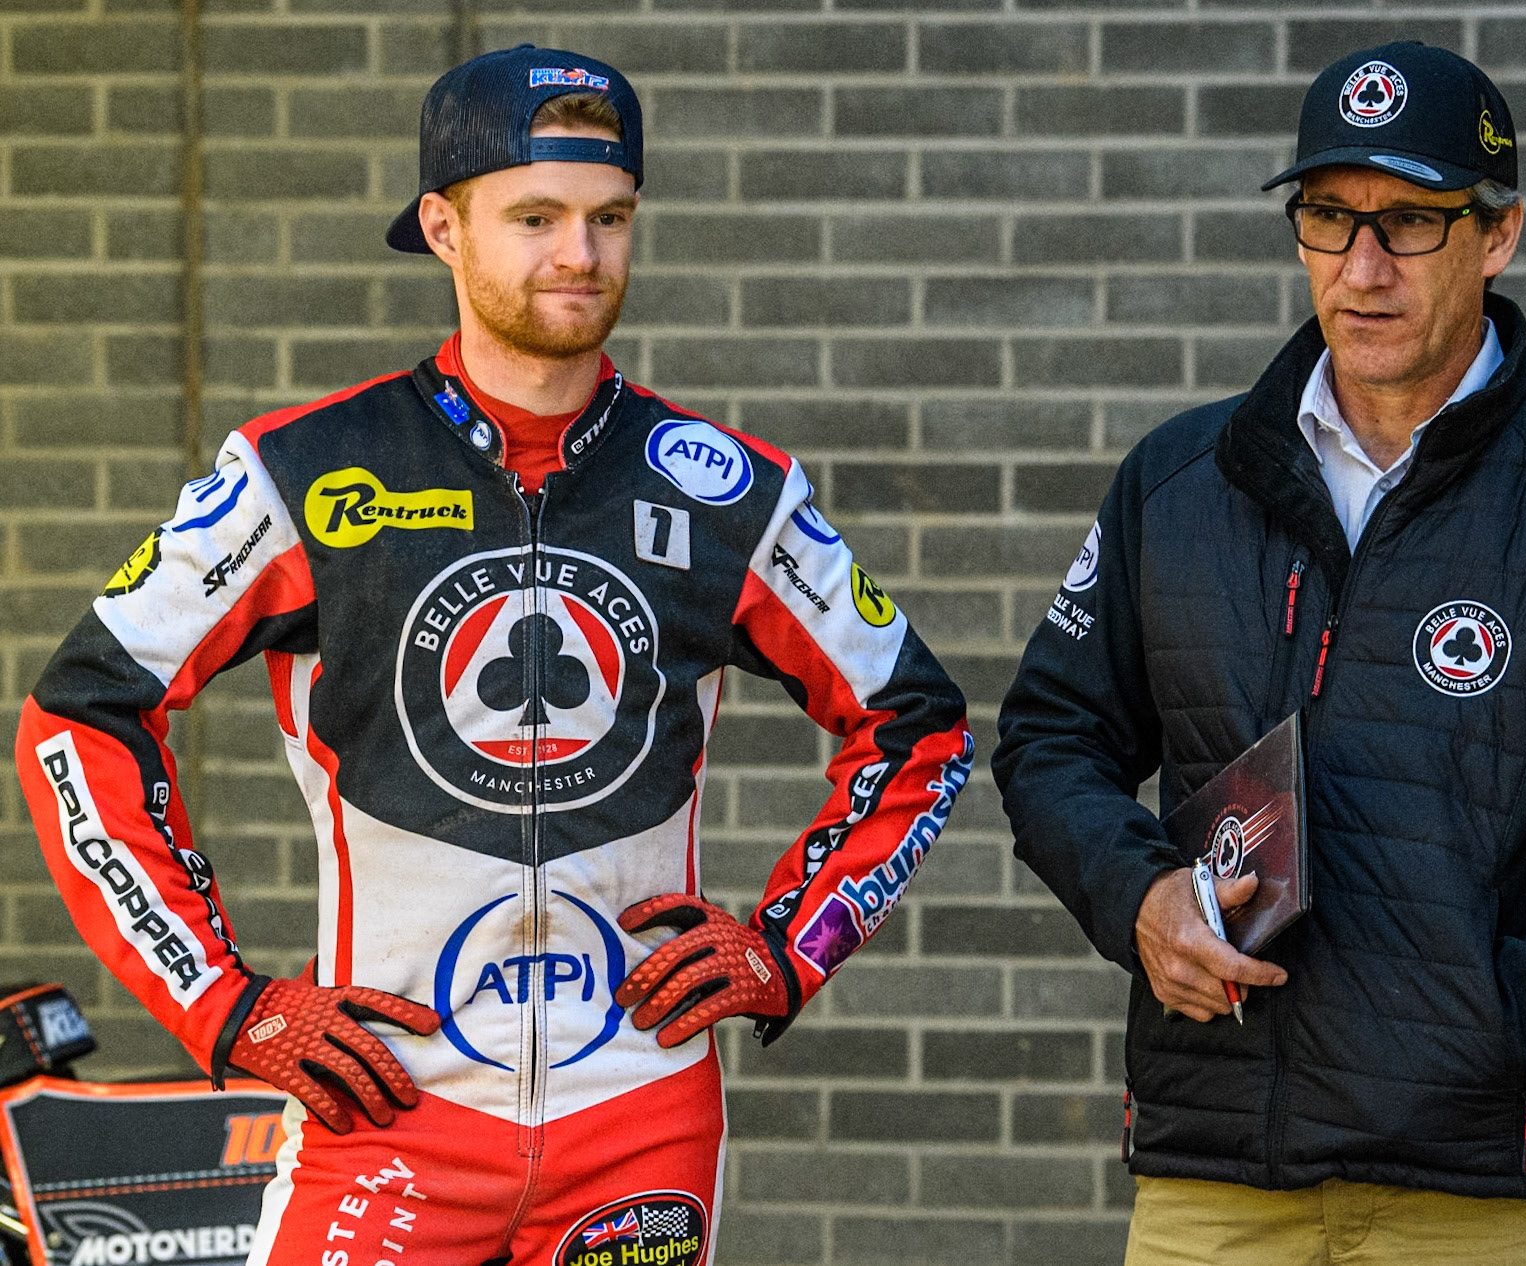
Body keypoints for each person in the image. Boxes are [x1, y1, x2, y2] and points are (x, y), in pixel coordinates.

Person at [15, 44, 971, 1266]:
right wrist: (223, 1003)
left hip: (638, 1116)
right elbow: (79, 716)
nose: (579, 255)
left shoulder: (732, 492)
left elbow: (924, 727)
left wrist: (794, 943)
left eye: (609, 217)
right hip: (390, 1107)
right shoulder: (303, 471)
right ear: (443, 228)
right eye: (535, 216)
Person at [992, 41, 1526, 1266]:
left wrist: (1508, 1016)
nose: (1361, 267)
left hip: (1491, 1189)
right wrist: (1136, 897)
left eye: (1408, 221)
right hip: (1219, 1172)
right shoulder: (1179, 483)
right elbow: (1051, 736)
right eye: (1328, 218)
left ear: (1495, 236)